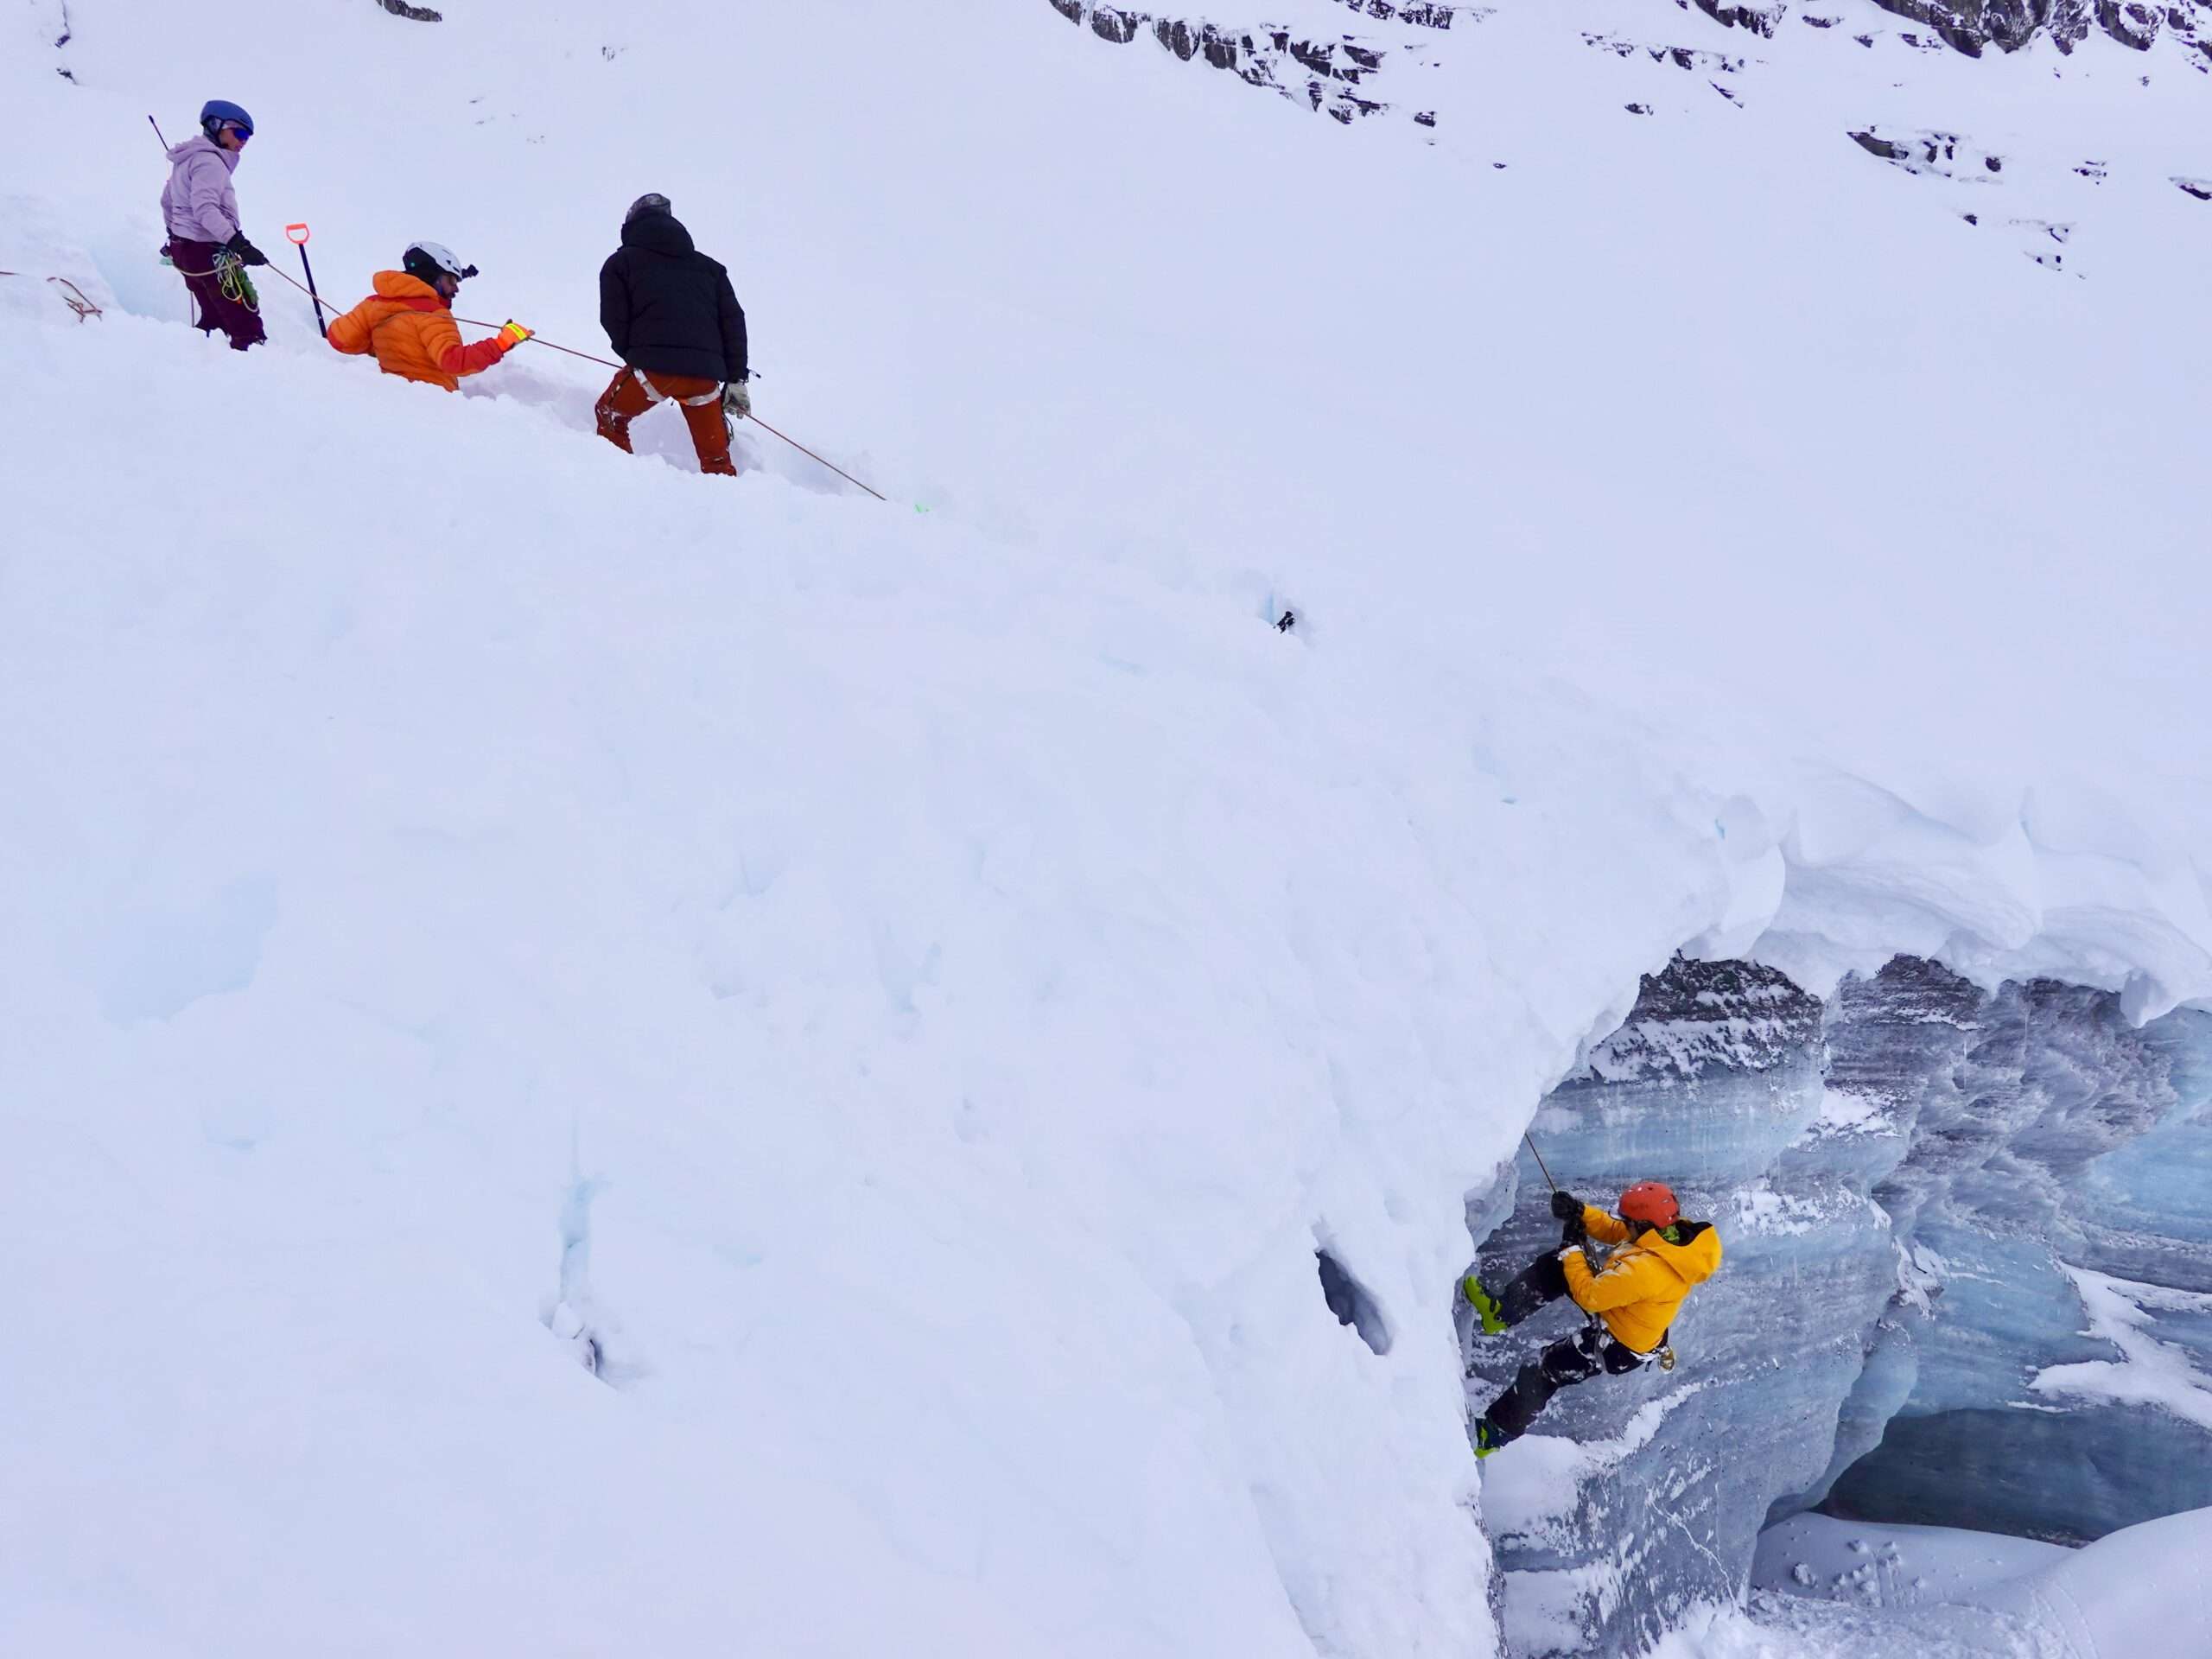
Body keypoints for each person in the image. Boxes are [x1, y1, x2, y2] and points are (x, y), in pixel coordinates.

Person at [1462, 1181, 1720, 1458]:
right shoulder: (1664, 1235)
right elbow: (1615, 1230)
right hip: (1622, 1312)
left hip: (1617, 1346)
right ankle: (1499, 1313)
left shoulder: (1651, 1270)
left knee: (1541, 1369)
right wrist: (1579, 1212)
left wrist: (1572, 1247)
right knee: (1559, 1266)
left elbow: (1590, 1296)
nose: (1626, 1226)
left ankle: (1491, 1435)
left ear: (1644, 1225)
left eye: (1629, 1222)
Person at [594, 194, 749, 477]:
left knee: (610, 416)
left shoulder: (621, 263)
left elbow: (613, 319)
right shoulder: (711, 269)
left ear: (631, 224)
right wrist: (736, 378)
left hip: (652, 373)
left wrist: (638, 355)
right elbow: (733, 323)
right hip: (704, 379)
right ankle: (728, 507)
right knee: (716, 461)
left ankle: (618, 483)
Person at [327, 242, 532, 391]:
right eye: (451, 280)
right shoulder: (434, 314)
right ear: (432, 277)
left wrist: (380, 344)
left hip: (388, 400)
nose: (456, 289)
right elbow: (454, 362)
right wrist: (502, 343)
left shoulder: (373, 305)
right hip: (433, 409)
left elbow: (339, 338)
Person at [161, 99, 268, 352]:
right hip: (207, 251)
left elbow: (167, 201)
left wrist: (174, 236)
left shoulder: (186, 159)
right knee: (246, 325)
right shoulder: (211, 162)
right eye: (239, 133)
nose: (244, 141)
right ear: (216, 126)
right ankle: (256, 374)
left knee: (214, 318)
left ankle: (203, 365)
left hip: (185, 251)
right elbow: (205, 209)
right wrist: (238, 243)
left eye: (248, 137)